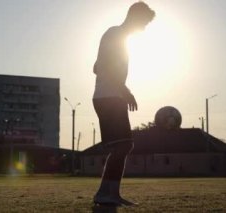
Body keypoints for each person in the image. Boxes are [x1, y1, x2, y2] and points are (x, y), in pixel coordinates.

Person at [92, 2, 155, 206]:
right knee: (123, 146)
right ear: (134, 17)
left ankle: (110, 193)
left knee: (123, 146)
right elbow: (99, 67)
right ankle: (105, 193)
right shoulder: (114, 34)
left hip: (112, 96)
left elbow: (99, 66)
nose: (144, 28)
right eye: (143, 23)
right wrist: (125, 91)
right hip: (108, 97)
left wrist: (123, 91)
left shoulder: (123, 39)